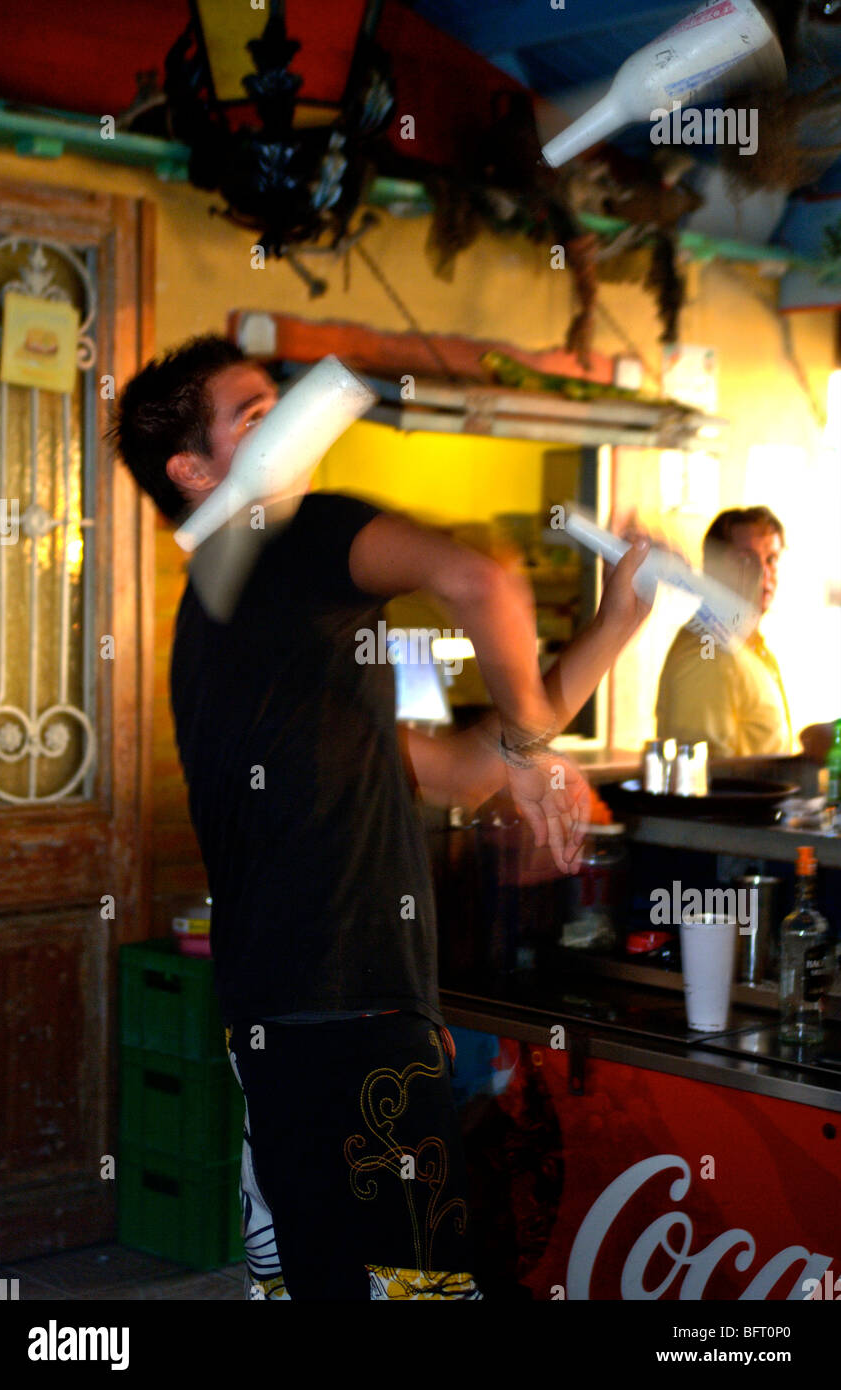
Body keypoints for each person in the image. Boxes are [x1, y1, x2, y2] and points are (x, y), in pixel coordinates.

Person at [110, 334, 654, 1301]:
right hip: (342, 1013)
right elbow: (484, 580)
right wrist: (532, 744)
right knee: (413, 1291)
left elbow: (452, 771)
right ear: (195, 473)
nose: (280, 414)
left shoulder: (249, 623)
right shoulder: (292, 535)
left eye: (276, 397)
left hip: (299, 1017)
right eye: (250, 413)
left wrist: (609, 628)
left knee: (341, 1286)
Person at [655, 505, 793, 758]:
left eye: (771, 559)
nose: (762, 573)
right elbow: (704, 777)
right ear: (712, 568)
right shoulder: (706, 650)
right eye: (745, 559)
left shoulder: (753, 649)